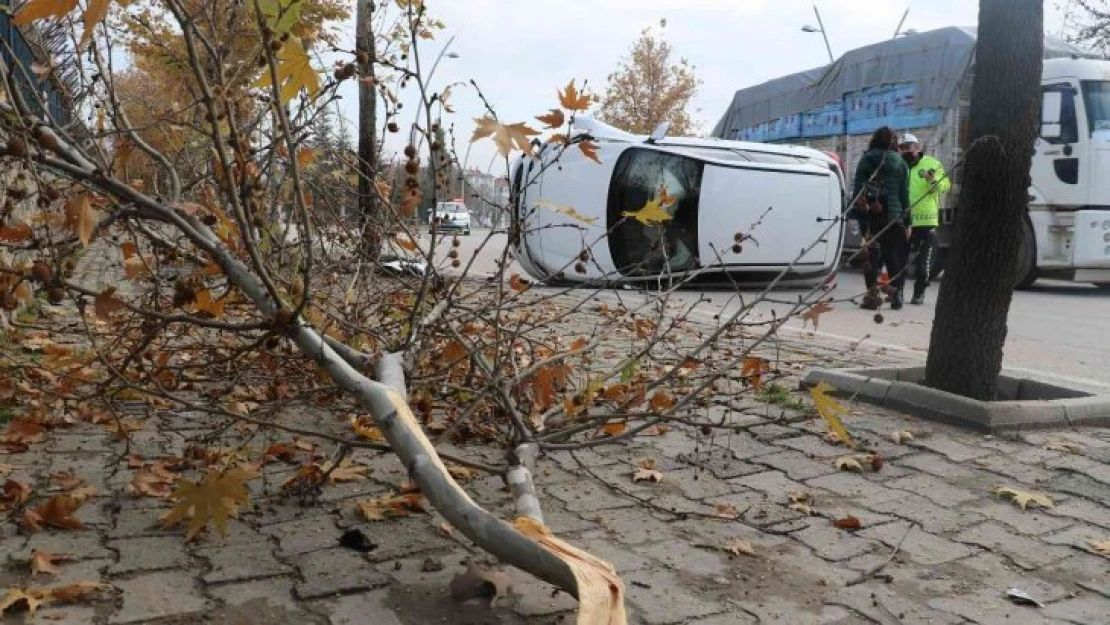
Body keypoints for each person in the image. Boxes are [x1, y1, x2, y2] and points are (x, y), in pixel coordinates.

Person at [852, 126, 911, 310]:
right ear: (893, 143)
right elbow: (904, 195)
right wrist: (908, 221)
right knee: (894, 256)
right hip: (894, 216)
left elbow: (858, 191)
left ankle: (872, 296)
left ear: (874, 140)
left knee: (871, 256)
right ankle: (897, 295)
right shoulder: (901, 163)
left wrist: (860, 213)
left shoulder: (866, 159)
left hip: (871, 215)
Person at [898, 133, 951, 305]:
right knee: (898, 261)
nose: (907, 150)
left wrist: (932, 180)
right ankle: (897, 293)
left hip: (925, 222)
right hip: (903, 221)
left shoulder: (932, 164)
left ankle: (919, 293)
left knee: (923, 263)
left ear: (918, 147)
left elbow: (945, 186)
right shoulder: (898, 165)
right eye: (903, 147)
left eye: (910, 146)